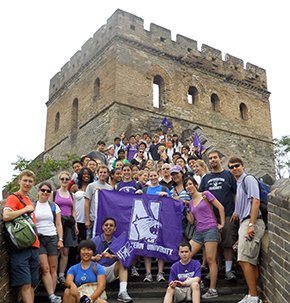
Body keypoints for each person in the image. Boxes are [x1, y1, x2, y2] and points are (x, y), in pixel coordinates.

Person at [228, 157, 265, 303]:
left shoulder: (248, 179)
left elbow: (256, 201)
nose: (234, 168)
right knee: (250, 261)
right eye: (231, 167)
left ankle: (254, 298)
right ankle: (251, 294)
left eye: (237, 166)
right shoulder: (238, 183)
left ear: (243, 166)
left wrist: (251, 225)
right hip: (245, 223)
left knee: (243, 259)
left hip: (252, 221)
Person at [199, 150, 238, 281]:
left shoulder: (228, 175)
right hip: (210, 217)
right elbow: (201, 197)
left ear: (221, 159)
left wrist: (236, 210)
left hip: (227, 214)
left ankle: (228, 270)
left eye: (215, 157)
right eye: (210, 158)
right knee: (212, 244)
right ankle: (214, 269)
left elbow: (236, 192)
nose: (213, 160)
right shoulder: (206, 178)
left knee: (227, 243)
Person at [184, 176, 225, 299]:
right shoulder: (191, 202)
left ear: (196, 185)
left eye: (190, 184)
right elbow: (191, 221)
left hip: (210, 230)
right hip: (198, 232)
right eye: (186, 185)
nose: (189, 187)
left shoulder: (205, 194)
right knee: (186, 254)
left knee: (210, 260)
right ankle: (197, 279)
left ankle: (212, 290)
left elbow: (221, 207)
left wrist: (222, 224)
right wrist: (183, 210)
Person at [3, 169, 40, 303]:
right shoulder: (14, 197)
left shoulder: (28, 199)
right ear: (19, 181)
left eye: (30, 181)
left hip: (33, 245)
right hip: (21, 247)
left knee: (31, 284)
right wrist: (25, 209)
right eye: (25, 180)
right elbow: (6, 216)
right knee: (25, 284)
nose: (27, 183)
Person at [91, 218, 132, 303]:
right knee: (94, 265)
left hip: (111, 271)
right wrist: (94, 258)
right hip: (97, 272)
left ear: (115, 228)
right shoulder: (94, 241)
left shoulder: (118, 242)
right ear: (102, 227)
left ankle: (122, 292)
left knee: (122, 262)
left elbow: (124, 257)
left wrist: (111, 256)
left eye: (111, 225)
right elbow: (84, 257)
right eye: (106, 225)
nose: (108, 227)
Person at [35, 182, 63, 303]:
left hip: (52, 237)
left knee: (53, 268)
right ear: (38, 191)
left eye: (48, 191)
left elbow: (58, 224)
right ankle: (51, 295)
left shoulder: (53, 206)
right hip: (39, 238)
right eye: (43, 190)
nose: (45, 193)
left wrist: (60, 239)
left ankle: (53, 294)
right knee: (45, 268)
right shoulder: (33, 205)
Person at [140, 168, 170, 282]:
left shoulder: (164, 188)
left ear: (159, 175)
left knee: (160, 247)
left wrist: (167, 195)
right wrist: (138, 194)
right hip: (148, 223)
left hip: (162, 222)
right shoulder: (145, 189)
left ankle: (160, 273)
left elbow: (173, 203)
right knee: (147, 247)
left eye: (154, 175)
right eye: (150, 176)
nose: (152, 178)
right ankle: (148, 273)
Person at [50, 171, 78, 286]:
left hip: (68, 224)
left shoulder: (72, 195)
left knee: (66, 251)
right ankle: (55, 275)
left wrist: (75, 225)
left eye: (67, 179)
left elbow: (73, 211)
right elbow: (50, 209)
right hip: (57, 222)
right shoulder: (54, 193)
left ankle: (62, 275)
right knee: (56, 251)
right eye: (62, 179)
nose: (65, 181)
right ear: (59, 180)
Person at [85, 165, 113, 237]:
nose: (102, 174)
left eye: (104, 172)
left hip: (105, 219)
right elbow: (87, 203)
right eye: (101, 172)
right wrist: (87, 219)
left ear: (107, 174)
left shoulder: (110, 188)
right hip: (93, 218)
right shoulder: (91, 186)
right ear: (97, 173)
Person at [71, 167, 95, 243]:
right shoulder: (75, 187)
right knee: (75, 241)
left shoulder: (93, 187)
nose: (86, 175)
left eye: (88, 174)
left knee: (86, 241)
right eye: (84, 174)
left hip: (88, 219)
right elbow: (70, 203)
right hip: (77, 218)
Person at [170, 165, 192, 240]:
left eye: (176, 173)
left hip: (189, 219)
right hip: (177, 221)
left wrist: (183, 201)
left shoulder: (188, 187)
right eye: (173, 174)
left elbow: (196, 202)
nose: (175, 176)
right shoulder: (172, 190)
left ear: (182, 173)